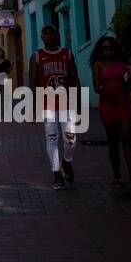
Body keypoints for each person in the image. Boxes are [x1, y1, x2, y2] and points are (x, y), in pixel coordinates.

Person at [29, 24, 79, 190]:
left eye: (52, 33)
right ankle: (57, 174)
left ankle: (67, 161)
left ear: (57, 35)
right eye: (45, 33)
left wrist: (78, 102)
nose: (49, 36)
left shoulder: (67, 54)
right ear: (42, 37)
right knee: (52, 138)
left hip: (67, 103)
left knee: (70, 139)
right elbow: (33, 84)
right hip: (47, 104)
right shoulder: (37, 56)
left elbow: (74, 79)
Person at [90, 34, 131, 189]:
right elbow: (96, 86)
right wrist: (106, 93)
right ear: (100, 50)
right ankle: (117, 175)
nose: (108, 51)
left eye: (111, 48)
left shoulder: (122, 63)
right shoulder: (97, 65)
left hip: (123, 102)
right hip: (107, 104)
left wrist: (130, 78)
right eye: (105, 49)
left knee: (127, 137)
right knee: (112, 139)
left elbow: (128, 81)